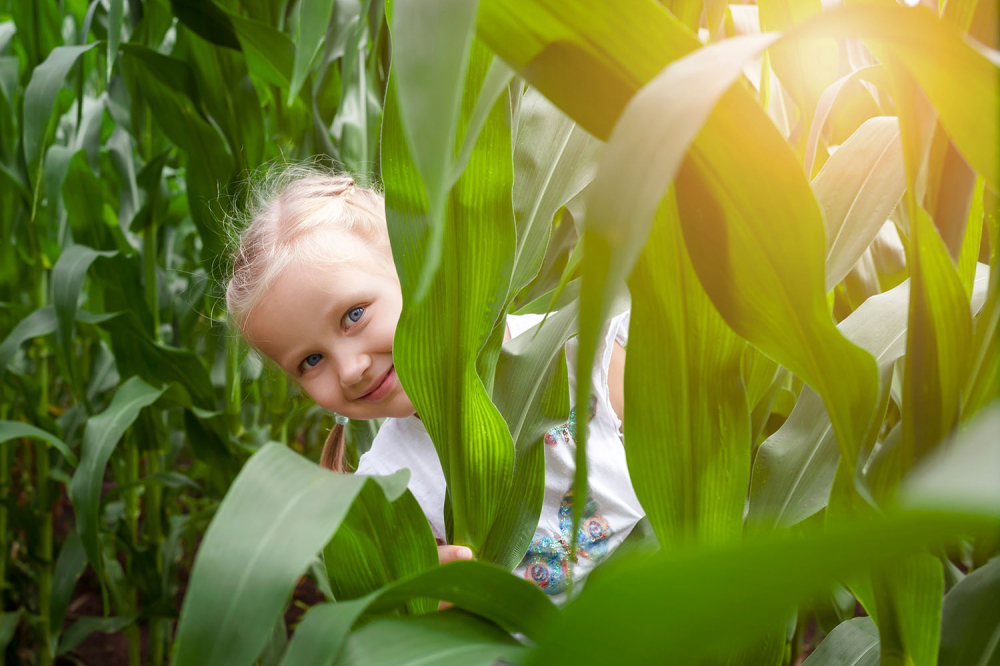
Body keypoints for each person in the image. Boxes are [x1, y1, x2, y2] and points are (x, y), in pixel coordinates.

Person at [226, 168, 644, 602]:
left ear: (417, 264)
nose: (350, 370)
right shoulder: (387, 487)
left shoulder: (581, 350)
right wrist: (425, 594)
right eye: (310, 361)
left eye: (353, 315)